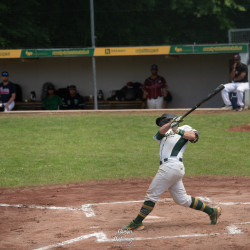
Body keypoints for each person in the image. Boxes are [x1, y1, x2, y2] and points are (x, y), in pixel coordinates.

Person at [123, 113, 221, 231]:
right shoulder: (163, 135)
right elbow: (159, 132)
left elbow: (193, 137)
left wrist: (177, 129)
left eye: (163, 121)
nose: (162, 123)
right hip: (171, 168)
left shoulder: (185, 128)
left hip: (171, 166)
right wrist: (171, 124)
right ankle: (212, 211)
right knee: (182, 199)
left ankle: (137, 222)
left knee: (152, 194)